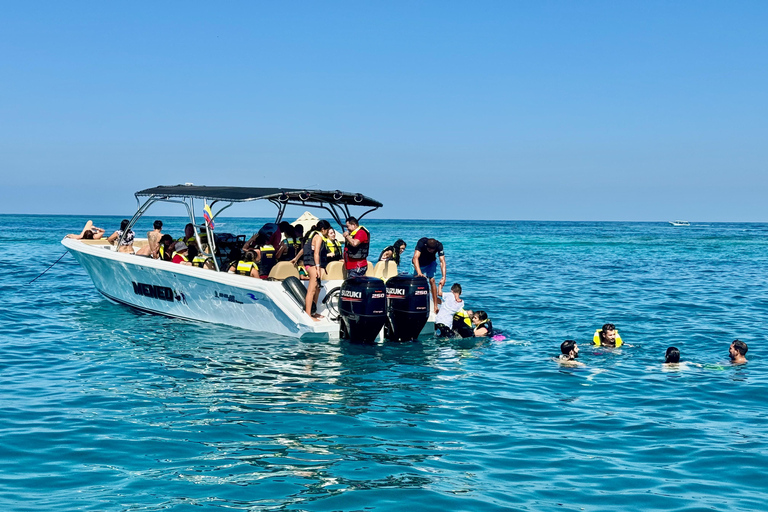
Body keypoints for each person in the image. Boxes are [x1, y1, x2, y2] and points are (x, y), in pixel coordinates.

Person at [303, 220, 331, 320]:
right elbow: (316, 253)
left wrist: (295, 259)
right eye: (327, 230)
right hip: (313, 265)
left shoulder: (311, 235)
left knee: (317, 289)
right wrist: (318, 267)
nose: (328, 232)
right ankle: (308, 314)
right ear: (323, 229)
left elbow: (304, 249)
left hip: (311, 264)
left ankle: (314, 312)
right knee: (312, 290)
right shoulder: (318, 237)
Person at [413, 237, 446, 313]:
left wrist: (443, 277)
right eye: (429, 249)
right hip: (418, 263)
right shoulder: (421, 242)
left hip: (431, 263)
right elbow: (415, 258)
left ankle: (435, 306)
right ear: (426, 246)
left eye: (433, 250)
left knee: (432, 280)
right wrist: (419, 272)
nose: (431, 251)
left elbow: (442, 261)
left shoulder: (439, 245)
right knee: (414, 282)